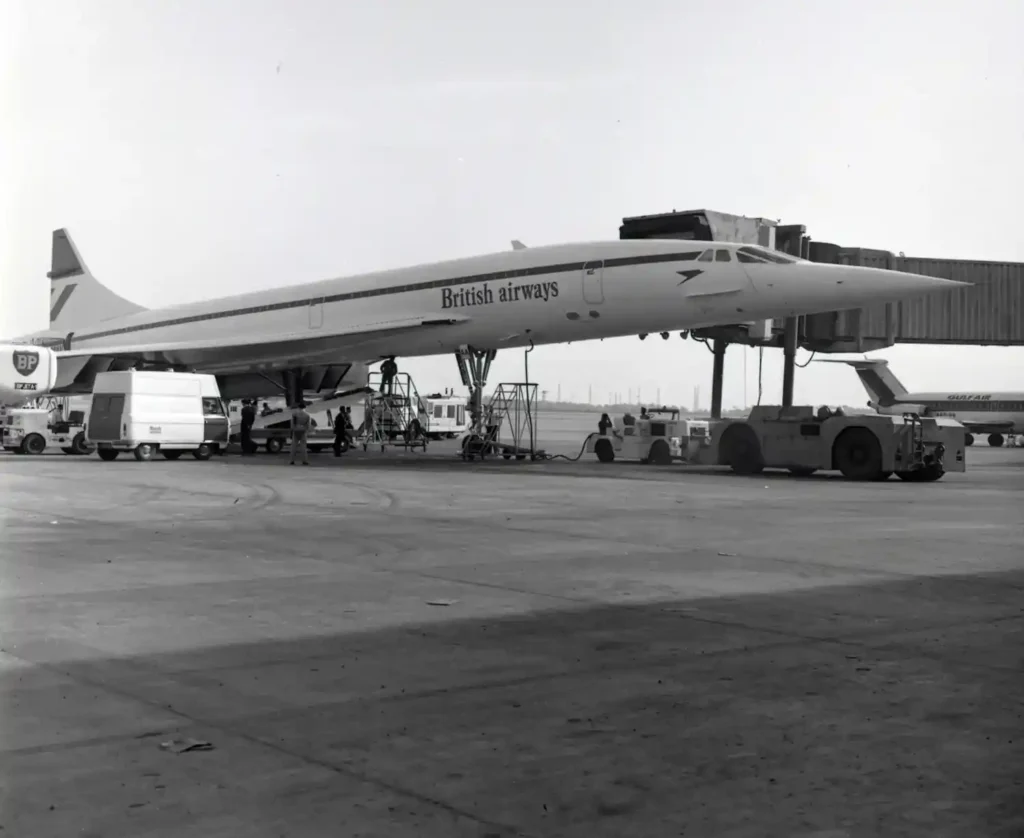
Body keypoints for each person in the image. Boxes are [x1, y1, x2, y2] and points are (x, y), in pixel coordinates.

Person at [289, 400, 312, 465]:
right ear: (304, 407)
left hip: (296, 431)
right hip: (303, 431)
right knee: (303, 447)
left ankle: (292, 460)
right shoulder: (307, 415)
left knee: (293, 446)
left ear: (298, 407)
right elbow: (308, 425)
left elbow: (292, 423)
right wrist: (305, 429)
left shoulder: (294, 414)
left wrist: (293, 429)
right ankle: (304, 461)